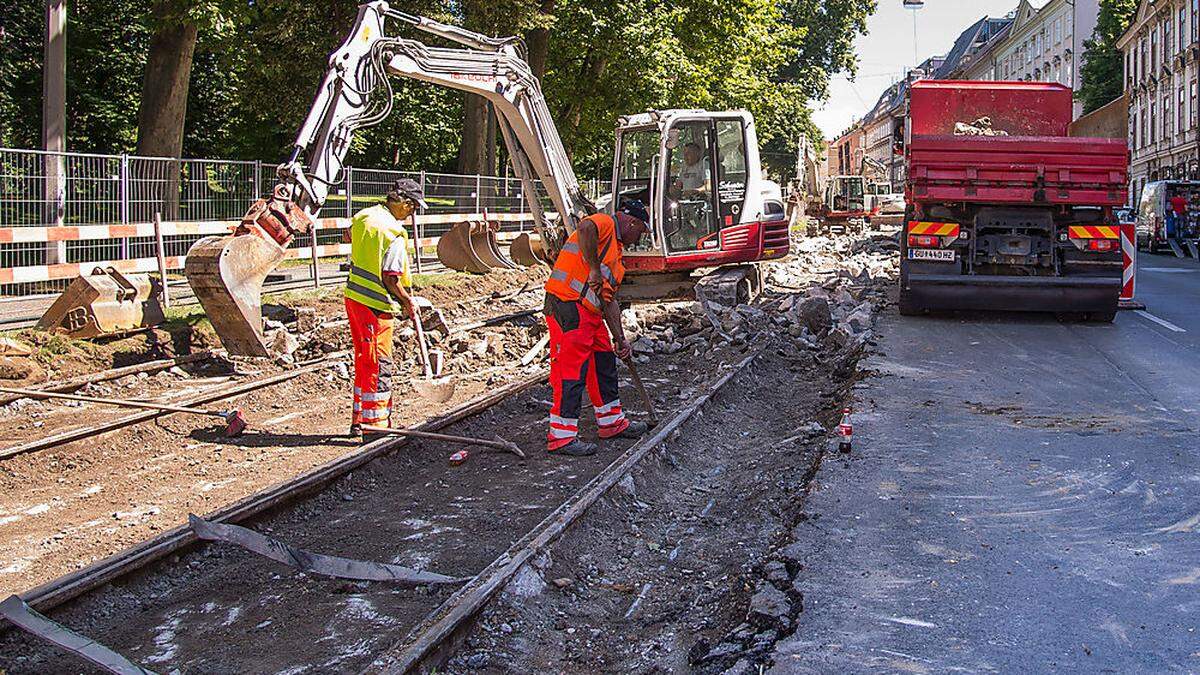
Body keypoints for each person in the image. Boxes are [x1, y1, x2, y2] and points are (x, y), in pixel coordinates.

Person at [543, 201, 652, 457]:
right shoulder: (604, 224)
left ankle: (611, 423)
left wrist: (620, 338)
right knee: (571, 372)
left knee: (604, 363)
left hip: (590, 315)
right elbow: (585, 227)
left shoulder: (616, 255)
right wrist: (592, 268)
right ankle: (561, 437)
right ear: (632, 222)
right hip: (568, 306)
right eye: (640, 232)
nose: (638, 239)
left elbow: (610, 300)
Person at [344, 179, 425, 436]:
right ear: (403, 202)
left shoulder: (365, 216)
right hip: (376, 306)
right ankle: (376, 427)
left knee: (363, 361)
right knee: (379, 365)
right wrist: (406, 300)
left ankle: (359, 420)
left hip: (354, 299)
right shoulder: (394, 233)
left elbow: (348, 234)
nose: (412, 212)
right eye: (412, 206)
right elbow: (391, 277)